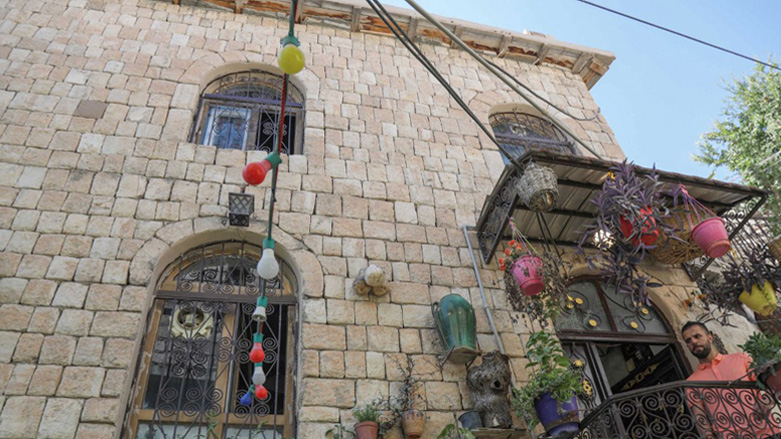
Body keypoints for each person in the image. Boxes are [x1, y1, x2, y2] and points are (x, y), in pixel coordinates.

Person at [681, 321, 781, 438]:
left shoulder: (741, 358)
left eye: (697, 336)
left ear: (710, 337)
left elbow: (769, 384)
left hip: (768, 431)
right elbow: (700, 417)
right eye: (688, 341)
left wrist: (768, 403)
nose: (693, 342)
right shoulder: (691, 382)